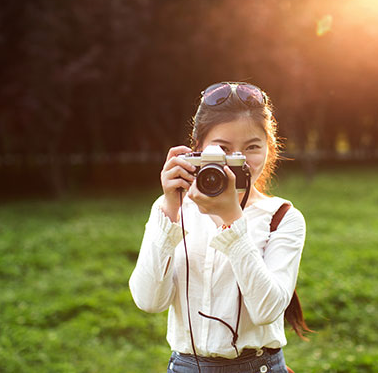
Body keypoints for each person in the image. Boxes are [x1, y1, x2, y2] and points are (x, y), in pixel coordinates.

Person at [129, 82, 309, 373]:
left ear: (270, 148)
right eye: (223, 148)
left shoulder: (283, 217)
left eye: (252, 147)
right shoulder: (174, 209)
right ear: (197, 149)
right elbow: (148, 301)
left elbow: (267, 310)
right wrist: (170, 207)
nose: (237, 160)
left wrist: (232, 221)